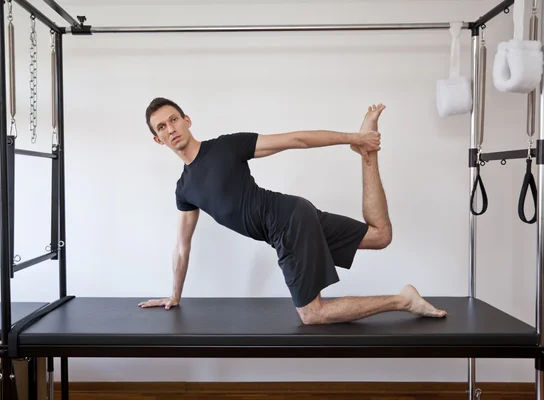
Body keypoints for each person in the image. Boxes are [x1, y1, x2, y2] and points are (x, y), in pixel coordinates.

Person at [138, 97, 447, 324]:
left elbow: (295, 140)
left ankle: (403, 300)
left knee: (312, 314)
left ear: (187, 120)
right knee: (380, 236)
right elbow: (182, 245)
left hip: (287, 222)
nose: (171, 129)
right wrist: (174, 295)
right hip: (295, 216)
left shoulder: (225, 147)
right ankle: (368, 154)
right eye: (162, 127)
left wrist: (351, 137)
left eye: (174, 120)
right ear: (157, 139)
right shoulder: (185, 189)